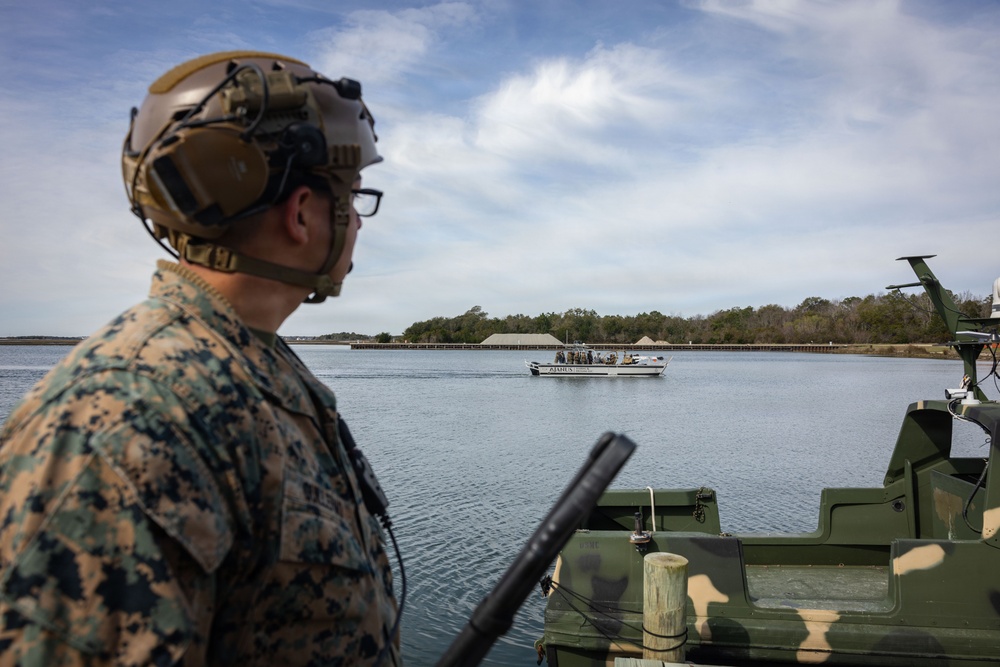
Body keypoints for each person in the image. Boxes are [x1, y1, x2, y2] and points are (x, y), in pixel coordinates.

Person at [0, 51, 400, 665]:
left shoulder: (262, 371)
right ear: (301, 214)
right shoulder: (126, 415)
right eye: (354, 194)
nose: (360, 223)